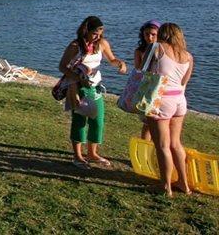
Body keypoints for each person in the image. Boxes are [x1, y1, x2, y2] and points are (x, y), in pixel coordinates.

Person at [58, 16, 127, 169]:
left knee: (98, 121)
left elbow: (112, 59)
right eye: (95, 33)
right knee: (80, 121)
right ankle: (77, 156)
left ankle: (92, 153)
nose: (98, 36)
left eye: (101, 32)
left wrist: (120, 64)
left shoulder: (102, 44)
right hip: (78, 87)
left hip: (95, 86)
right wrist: (77, 78)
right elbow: (62, 66)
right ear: (86, 31)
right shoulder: (75, 46)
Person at [148, 23, 194, 197]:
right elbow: (183, 82)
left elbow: (142, 70)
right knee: (176, 143)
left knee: (162, 145)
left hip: (162, 98)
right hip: (179, 100)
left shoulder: (157, 48)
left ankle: (165, 186)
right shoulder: (188, 56)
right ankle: (184, 183)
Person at [134, 20, 161, 141]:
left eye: (153, 34)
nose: (149, 37)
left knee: (159, 123)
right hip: (147, 88)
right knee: (148, 123)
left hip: (161, 87)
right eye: (146, 34)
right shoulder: (139, 51)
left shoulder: (163, 50)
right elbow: (138, 70)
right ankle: (145, 150)